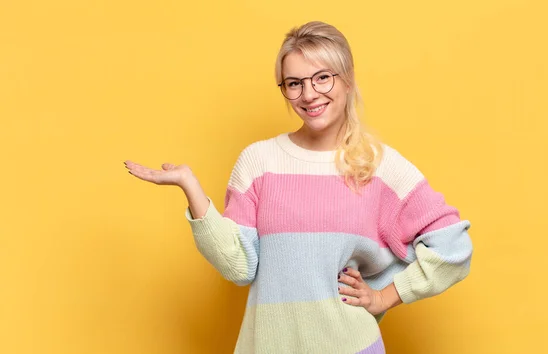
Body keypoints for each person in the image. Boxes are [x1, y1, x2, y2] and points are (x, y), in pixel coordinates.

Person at [124, 21, 473, 354]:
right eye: (294, 83)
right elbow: (239, 266)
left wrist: (383, 296)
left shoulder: (379, 166)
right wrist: (191, 187)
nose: (309, 94)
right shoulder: (258, 161)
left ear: (347, 79)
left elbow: (452, 246)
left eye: (322, 78)